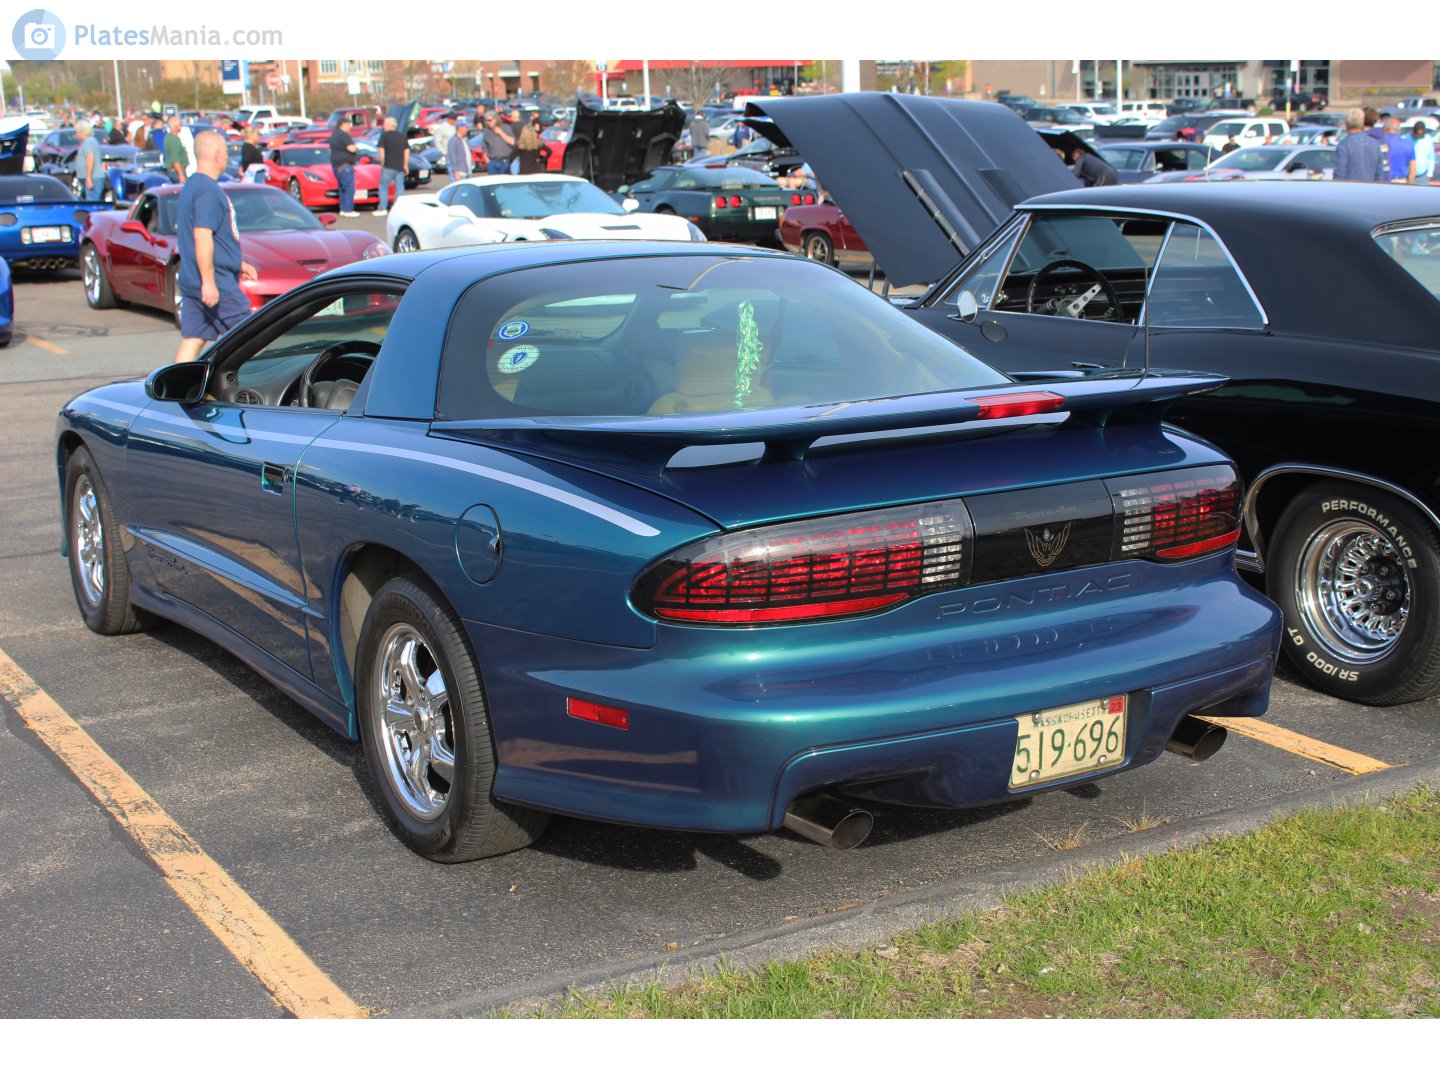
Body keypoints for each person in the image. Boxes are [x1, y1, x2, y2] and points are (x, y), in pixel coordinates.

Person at [173, 130, 257, 364]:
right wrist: (209, 282)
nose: (228, 158)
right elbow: (202, 236)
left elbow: (211, 239)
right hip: (217, 284)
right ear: (217, 155)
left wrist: (237, 263)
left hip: (195, 279)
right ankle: (259, 396)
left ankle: (173, 392)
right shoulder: (208, 190)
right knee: (253, 340)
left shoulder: (193, 186)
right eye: (226, 152)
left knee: (194, 338)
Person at [1333, 108, 1385, 181]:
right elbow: (1379, 173)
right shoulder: (1375, 144)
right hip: (1371, 188)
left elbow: (1339, 173)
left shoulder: (1344, 144)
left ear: (1346, 124)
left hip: (1350, 189)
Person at [375, 115, 409, 215]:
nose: (383, 126)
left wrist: (382, 161)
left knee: (383, 187)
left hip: (388, 166)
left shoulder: (384, 136)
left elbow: (381, 150)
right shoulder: (402, 136)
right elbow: (406, 151)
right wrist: (405, 164)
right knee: (400, 188)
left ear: (389, 125)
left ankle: (382, 208)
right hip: (400, 166)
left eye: (384, 124)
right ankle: (400, 208)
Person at [330, 118, 359, 216]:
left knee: (342, 188)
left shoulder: (334, 135)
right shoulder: (344, 135)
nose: (349, 127)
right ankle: (348, 209)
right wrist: (356, 148)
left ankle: (343, 209)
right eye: (348, 125)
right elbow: (351, 148)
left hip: (336, 166)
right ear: (343, 124)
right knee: (349, 188)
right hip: (345, 166)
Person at [1383, 117, 1417, 183]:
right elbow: (1413, 170)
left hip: (1383, 181)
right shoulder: (1408, 145)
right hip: (1401, 182)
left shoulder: (1381, 144)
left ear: (1387, 129)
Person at [481, 110, 516, 174]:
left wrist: (501, 133)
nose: (488, 123)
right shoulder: (486, 131)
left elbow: (512, 142)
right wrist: (486, 159)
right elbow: (485, 146)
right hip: (492, 161)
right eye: (486, 121)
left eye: (490, 120)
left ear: (496, 119)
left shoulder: (506, 128)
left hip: (505, 161)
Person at [74, 121, 102, 201]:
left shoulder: (89, 142)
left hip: (93, 178)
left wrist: (88, 177)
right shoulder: (89, 142)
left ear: (82, 132)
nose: (76, 134)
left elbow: (90, 159)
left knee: (92, 202)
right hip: (90, 178)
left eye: (77, 132)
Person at [162, 117, 189, 183]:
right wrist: (180, 175)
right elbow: (175, 159)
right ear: (176, 126)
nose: (181, 127)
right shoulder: (174, 140)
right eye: (180, 125)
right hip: (176, 172)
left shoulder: (168, 137)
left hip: (175, 171)